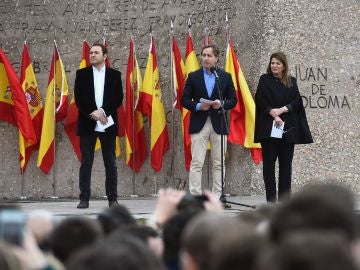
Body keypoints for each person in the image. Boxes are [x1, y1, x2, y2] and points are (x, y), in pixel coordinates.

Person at [254, 52, 313, 203]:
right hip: (269, 128)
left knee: (286, 166)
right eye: (272, 63)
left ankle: (285, 202)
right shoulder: (264, 79)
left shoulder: (291, 81)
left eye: (277, 63)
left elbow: (296, 101)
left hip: (287, 130)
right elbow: (260, 99)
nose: (274, 66)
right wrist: (273, 113)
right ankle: (271, 201)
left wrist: (282, 110)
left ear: (284, 66)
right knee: (269, 166)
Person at [181, 44, 237, 199]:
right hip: (200, 122)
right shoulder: (193, 76)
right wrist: (199, 105)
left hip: (219, 122)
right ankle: (195, 197)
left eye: (209, 56)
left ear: (216, 58)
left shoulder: (224, 76)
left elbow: (233, 100)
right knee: (197, 162)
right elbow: (184, 100)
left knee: (218, 163)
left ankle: (217, 197)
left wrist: (222, 104)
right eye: (203, 55)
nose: (205, 58)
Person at [74, 43, 123, 209]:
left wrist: (102, 111)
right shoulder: (81, 74)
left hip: (107, 123)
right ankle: (84, 198)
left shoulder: (115, 75)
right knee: (86, 162)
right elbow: (79, 98)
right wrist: (93, 113)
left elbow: (118, 98)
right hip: (88, 123)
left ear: (105, 56)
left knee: (110, 163)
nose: (92, 55)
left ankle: (113, 199)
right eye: (91, 52)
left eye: (96, 52)